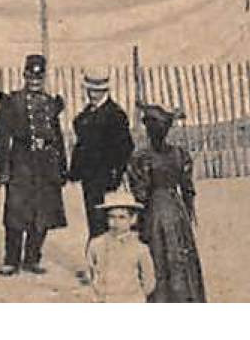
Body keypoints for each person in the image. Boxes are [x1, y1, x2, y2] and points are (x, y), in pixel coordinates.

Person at [0, 53, 67, 275]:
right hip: (21, 161)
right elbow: (1, 137)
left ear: (43, 78)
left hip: (45, 163)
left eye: (38, 78)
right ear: (24, 76)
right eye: (30, 77)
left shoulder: (50, 103)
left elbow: (58, 136)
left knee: (43, 212)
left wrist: (62, 166)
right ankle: (11, 260)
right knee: (16, 211)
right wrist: (3, 168)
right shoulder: (12, 101)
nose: (34, 82)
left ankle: (33, 258)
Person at [127, 103, 205, 302]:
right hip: (176, 210)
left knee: (157, 255)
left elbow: (140, 192)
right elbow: (188, 189)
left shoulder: (141, 158)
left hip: (154, 211)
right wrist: (188, 211)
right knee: (179, 256)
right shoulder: (179, 154)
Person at [69, 68, 134, 238]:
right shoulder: (86, 115)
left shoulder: (115, 115)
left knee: (108, 220)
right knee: (94, 218)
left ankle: (107, 259)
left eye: (97, 90)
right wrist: (74, 171)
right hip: (90, 177)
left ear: (106, 89)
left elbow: (125, 147)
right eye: (90, 90)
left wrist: (116, 174)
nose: (93, 94)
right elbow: (81, 144)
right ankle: (97, 257)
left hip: (107, 177)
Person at [84, 189, 155, 303]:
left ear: (133, 219)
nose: (115, 222)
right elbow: (90, 273)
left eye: (122, 217)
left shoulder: (140, 249)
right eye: (111, 217)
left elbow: (149, 282)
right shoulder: (96, 244)